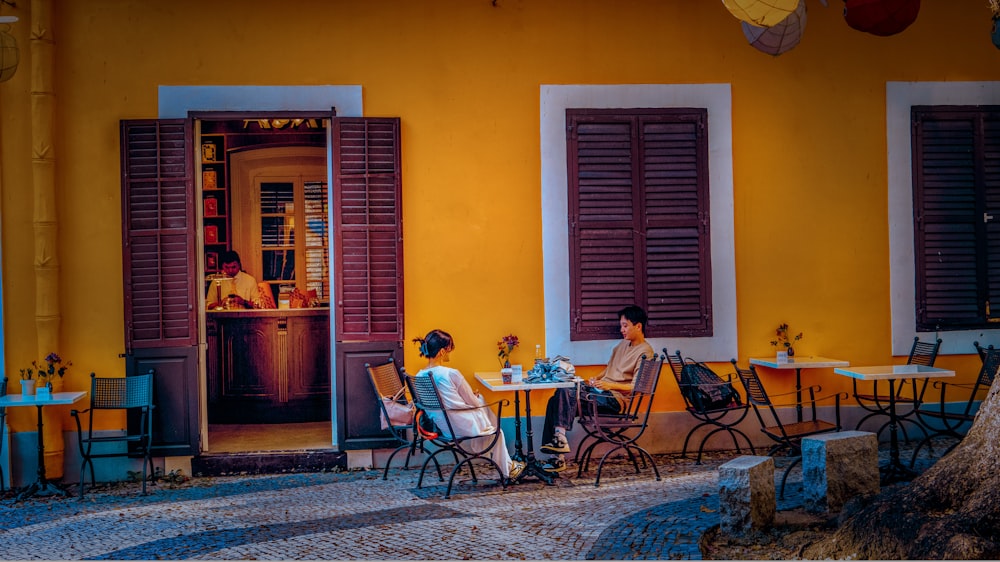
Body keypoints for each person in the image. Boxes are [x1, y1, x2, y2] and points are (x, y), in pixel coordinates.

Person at [539, 305, 654, 473]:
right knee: (558, 395)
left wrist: (609, 385)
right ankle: (556, 454)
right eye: (621, 325)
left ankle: (560, 443)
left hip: (615, 401)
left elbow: (638, 388)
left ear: (638, 326)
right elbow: (609, 370)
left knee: (568, 391)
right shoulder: (622, 345)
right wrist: (595, 379)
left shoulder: (646, 353)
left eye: (625, 325)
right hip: (602, 393)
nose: (621, 329)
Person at [412, 329, 525, 482]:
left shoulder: (419, 376)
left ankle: (500, 458)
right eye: (449, 349)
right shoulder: (450, 373)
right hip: (462, 425)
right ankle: (507, 469)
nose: (450, 353)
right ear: (442, 352)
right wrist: (473, 396)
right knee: (496, 431)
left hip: (444, 426)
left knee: (485, 411)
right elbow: (473, 403)